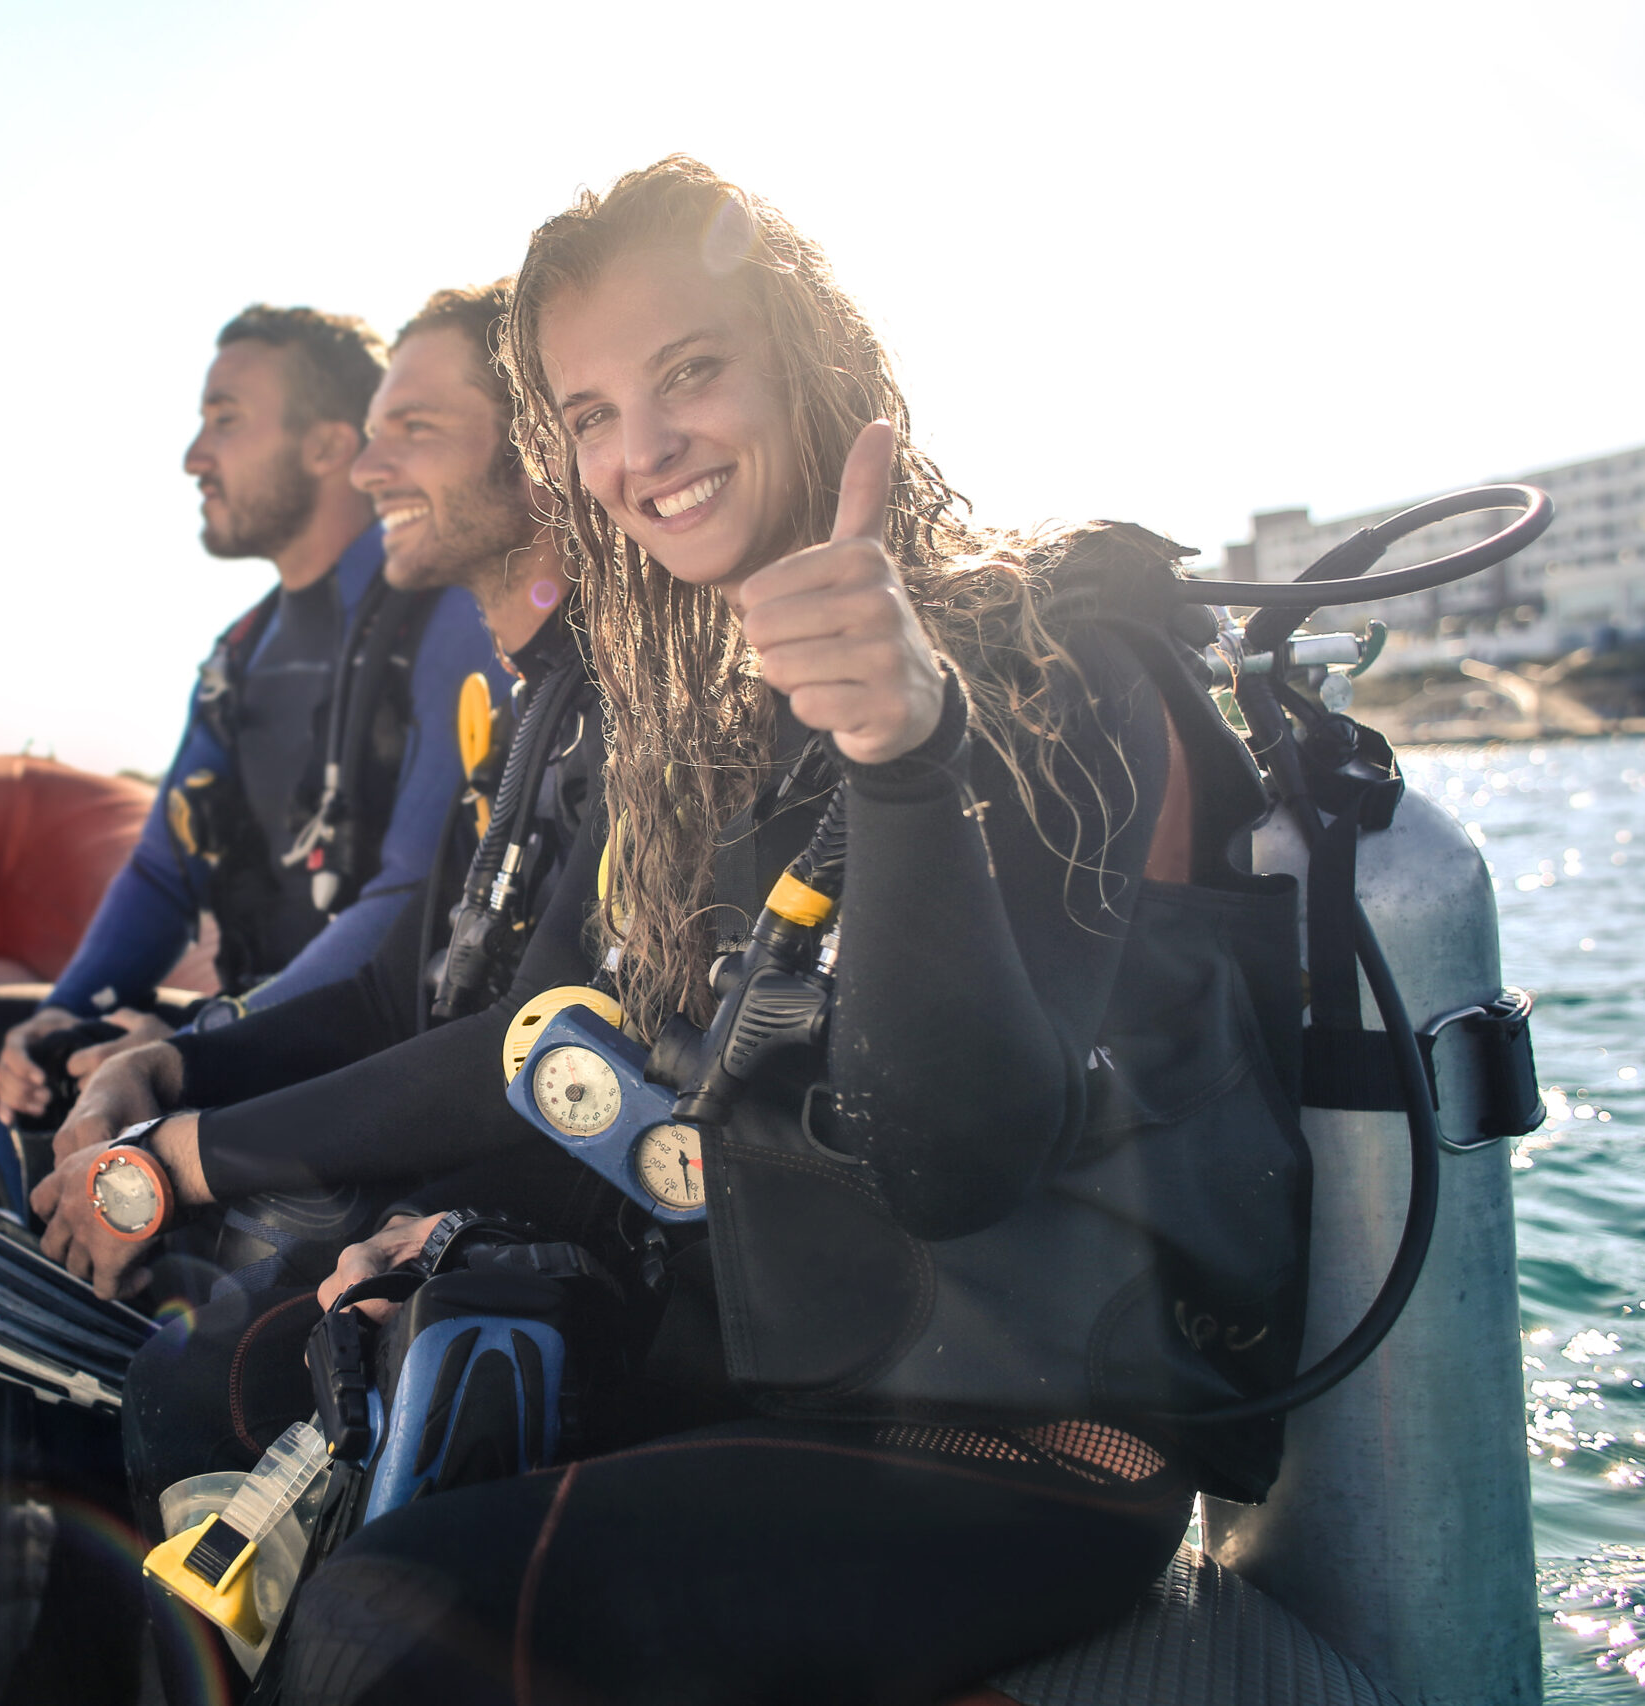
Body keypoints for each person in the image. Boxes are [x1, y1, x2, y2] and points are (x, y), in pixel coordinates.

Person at [249, 158, 1310, 1705]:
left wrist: (905, 756)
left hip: (1022, 1441)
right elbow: (644, 1074)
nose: (643, 449)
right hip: (770, 1352)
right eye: (592, 412)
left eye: (691, 372)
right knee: (238, 1388)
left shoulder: (1046, 653)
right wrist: (466, 1224)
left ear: (809, 368)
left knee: (387, 1617)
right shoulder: (695, 712)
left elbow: (952, 1160)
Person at [27, 282, 602, 1307]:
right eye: (377, 434)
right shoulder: (520, 710)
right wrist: (166, 1063)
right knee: (34, 1053)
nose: (374, 467)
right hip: (390, 1075)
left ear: (540, 454)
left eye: (413, 429)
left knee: (202, 1371)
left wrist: (179, 1143)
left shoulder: (559, 684)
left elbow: (517, 1039)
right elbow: (394, 978)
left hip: (528, 1180)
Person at [0, 305, 500, 1208]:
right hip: (239, 1023)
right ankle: (56, 1310)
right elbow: (163, 873)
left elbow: (403, 905)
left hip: (354, 1046)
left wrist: (203, 1039)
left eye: (225, 419)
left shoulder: (446, 619)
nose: (196, 455)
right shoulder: (240, 656)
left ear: (325, 447)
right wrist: (68, 1010)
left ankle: (125, 1300)